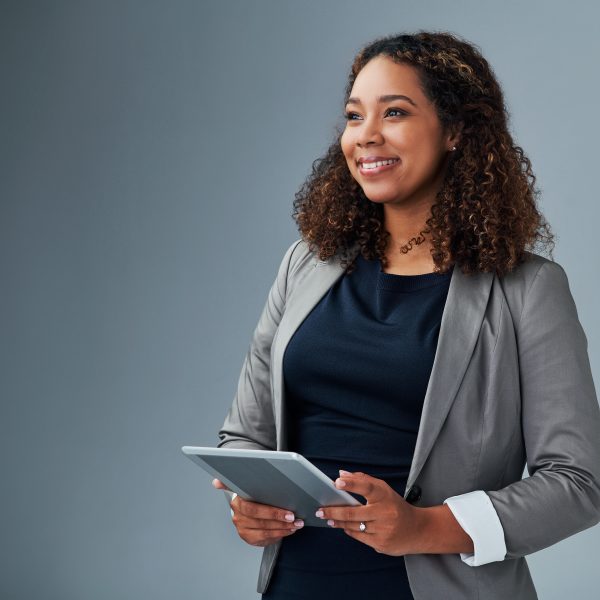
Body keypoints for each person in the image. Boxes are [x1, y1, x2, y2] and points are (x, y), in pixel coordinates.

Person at [212, 31, 600, 599]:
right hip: (298, 584)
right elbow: (244, 436)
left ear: (456, 130)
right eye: (353, 115)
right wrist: (249, 503)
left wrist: (424, 527)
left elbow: (579, 483)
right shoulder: (304, 266)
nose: (365, 135)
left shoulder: (528, 288)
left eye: (394, 112)